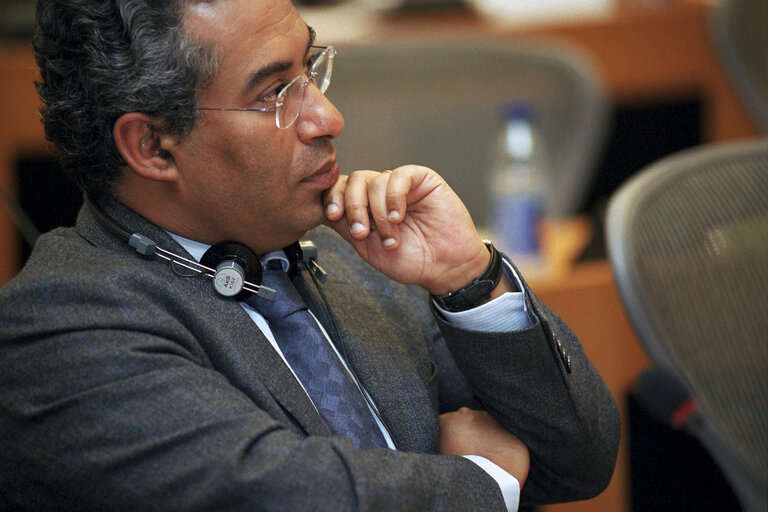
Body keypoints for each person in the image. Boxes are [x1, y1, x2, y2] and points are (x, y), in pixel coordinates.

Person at [0, 0, 620, 510]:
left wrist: (468, 281)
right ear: (154, 147)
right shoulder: (59, 327)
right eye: (274, 93)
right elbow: (281, 497)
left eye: (309, 70)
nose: (328, 117)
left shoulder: (349, 254)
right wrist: (485, 479)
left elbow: (578, 460)